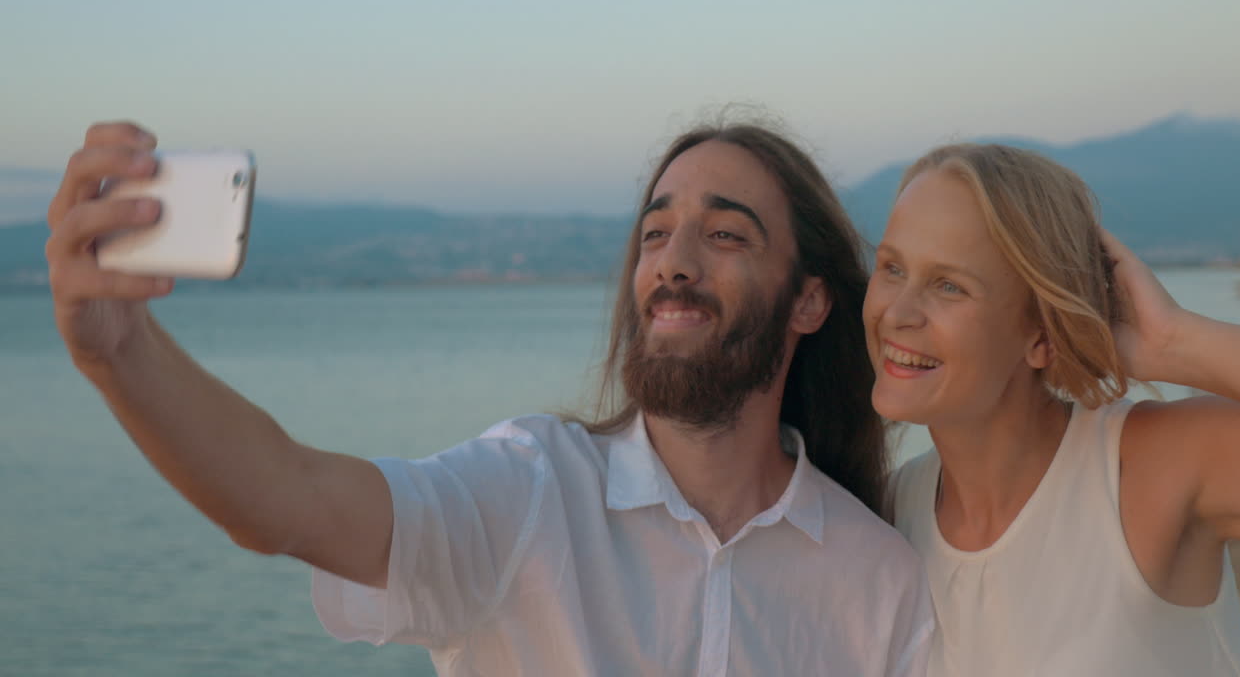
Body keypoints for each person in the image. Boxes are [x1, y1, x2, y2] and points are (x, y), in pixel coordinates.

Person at [46, 121, 934, 676]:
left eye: (726, 234)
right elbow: (285, 497)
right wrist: (120, 356)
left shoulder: (879, 579)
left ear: (810, 301)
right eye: (655, 232)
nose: (673, 259)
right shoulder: (530, 492)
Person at [871, 142, 1240, 675]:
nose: (897, 313)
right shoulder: (888, 518)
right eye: (892, 268)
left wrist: (1174, 344)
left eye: (949, 286)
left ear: (1041, 334)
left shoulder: (1146, 469)